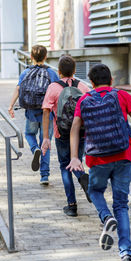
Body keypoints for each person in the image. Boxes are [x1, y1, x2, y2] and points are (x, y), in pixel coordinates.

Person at [67, 63, 131, 261]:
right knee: (121, 204)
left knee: (95, 191)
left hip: (98, 159)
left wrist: (74, 157)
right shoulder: (121, 95)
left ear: (91, 83)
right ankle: (126, 257)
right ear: (111, 80)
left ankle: (106, 217)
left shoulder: (84, 100)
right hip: (124, 156)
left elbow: (74, 129)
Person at [41, 55, 91, 217]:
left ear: (59, 71)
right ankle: (83, 176)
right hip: (81, 132)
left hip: (60, 133)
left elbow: (46, 112)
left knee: (65, 166)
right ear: (75, 71)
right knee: (76, 161)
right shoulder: (83, 87)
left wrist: (46, 138)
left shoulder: (54, 87)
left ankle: (72, 205)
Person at [8, 45, 59, 185]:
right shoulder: (52, 73)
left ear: (31, 57)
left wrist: (11, 105)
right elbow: (57, 93)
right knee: (45, 142)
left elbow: (18, 89)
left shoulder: (25, 73)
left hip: (31, 112)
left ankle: (34, 149)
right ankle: (44, 176)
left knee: (29, 134)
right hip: (46, 114)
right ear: (45, 56)